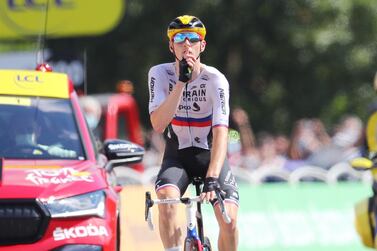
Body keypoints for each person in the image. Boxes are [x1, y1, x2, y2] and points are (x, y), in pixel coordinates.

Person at [148, 15, 239, 251]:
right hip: (177, 157)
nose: (186, 43)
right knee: (167, 201)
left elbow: (221, 133)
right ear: (171, 46)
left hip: (209, 157)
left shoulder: (215, 79)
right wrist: (180, 82)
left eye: (192, 38)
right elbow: (158, 125)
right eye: (179, 38)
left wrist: (212, 177)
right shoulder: (159, 74)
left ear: (202, 45)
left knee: (228, 220)